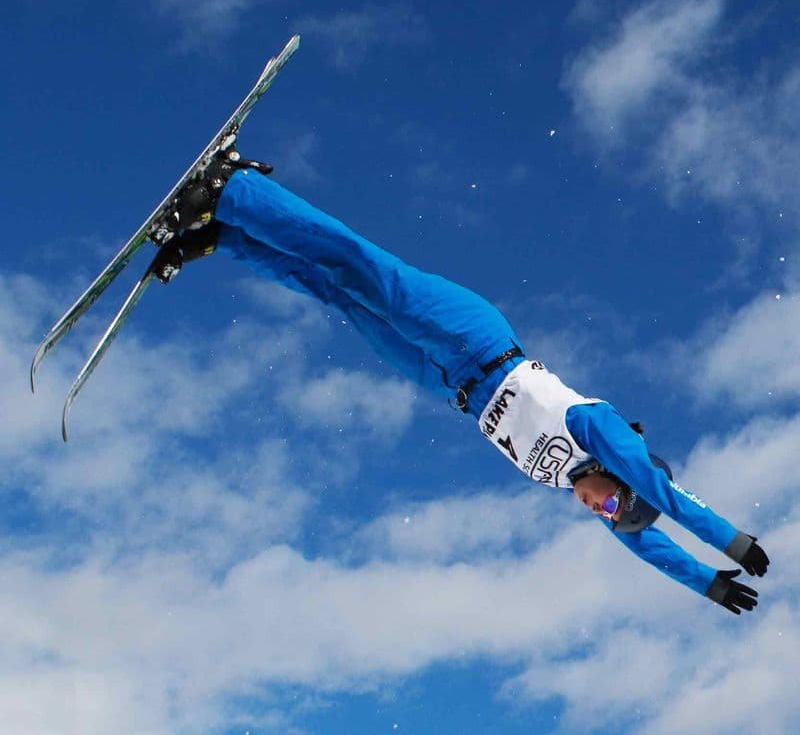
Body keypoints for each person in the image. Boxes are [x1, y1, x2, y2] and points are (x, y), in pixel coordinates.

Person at [152, 148, 769, 614]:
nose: (597, 508)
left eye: (602, 514)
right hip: (475, 340)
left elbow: (642, 540)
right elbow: (661, 492)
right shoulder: (597, 432)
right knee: (362, 268)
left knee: (341, 296)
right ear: (622, 482)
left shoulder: (569, 480)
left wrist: (707, 585)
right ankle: (234, 188)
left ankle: (225, 236)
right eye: (610, 502)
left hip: (446, 382)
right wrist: (730, 543)